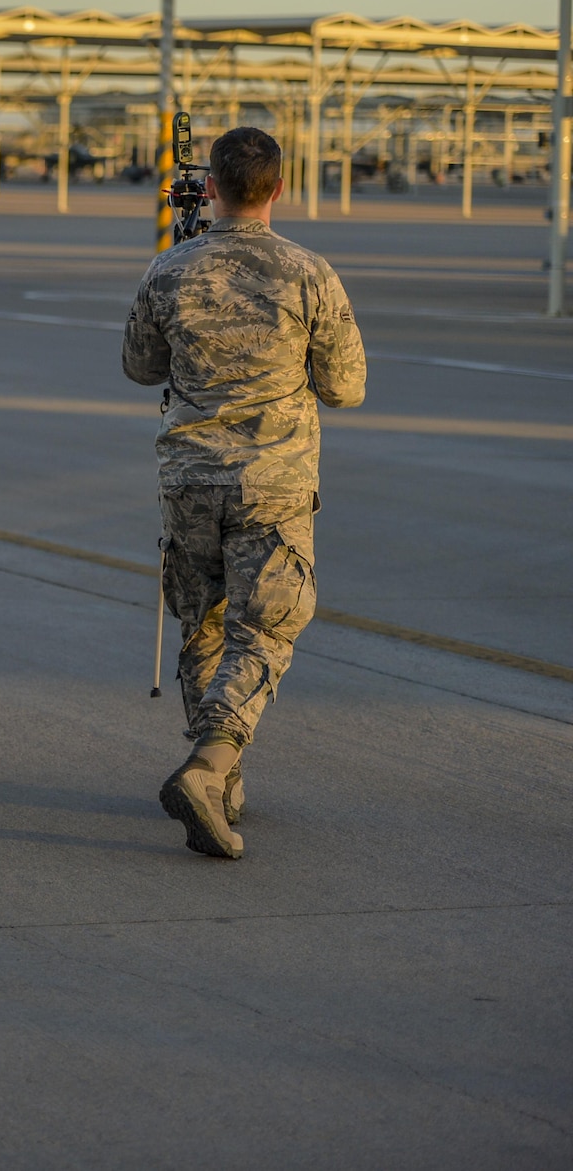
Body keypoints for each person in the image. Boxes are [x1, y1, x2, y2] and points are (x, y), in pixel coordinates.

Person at [123, 126, 366, 860]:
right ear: (279, 189)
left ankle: (220, 785)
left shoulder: (170, 269)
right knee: (264, 628)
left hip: (190, 476)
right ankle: (212, 763)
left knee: (203, 623)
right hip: (273, 480)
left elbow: (139, 364)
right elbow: (347, 386)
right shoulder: (308, 273)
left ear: (215, 188)